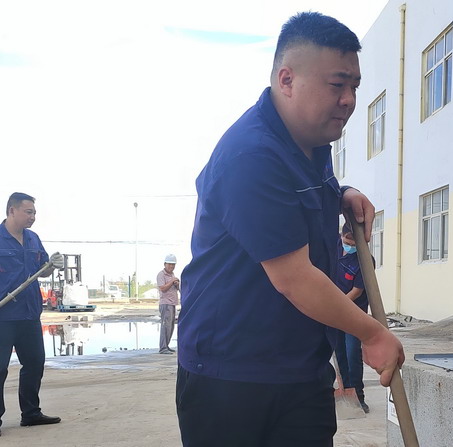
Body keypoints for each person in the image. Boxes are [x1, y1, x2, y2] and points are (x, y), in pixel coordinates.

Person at [176, 12, 404, 447]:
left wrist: (343, 193)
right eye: (337, 85)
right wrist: (372, 333)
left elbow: (304, 199)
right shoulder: (251, 155)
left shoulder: (313, 143)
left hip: (300, 365)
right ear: (287, 79)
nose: (349, 100)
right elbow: (294, 279)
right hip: (231, 376)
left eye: (355, 86)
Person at [0, 192, 64, 439]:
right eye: (28, 212)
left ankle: (31, 413)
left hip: (29, 314)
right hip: (1, 315)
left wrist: (53, 265)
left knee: (34, 363)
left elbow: (42, 271)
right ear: (12, 210)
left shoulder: (33, 239)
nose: (33, 217)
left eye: (34, 213)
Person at [333, 223, 373, 413]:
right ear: (341, 236)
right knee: (339, 353)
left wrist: (337, 306)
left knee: (352, 354)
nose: (349, 247)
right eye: (347, 242)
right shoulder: (334, 246)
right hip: (333, 311)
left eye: (353, 244)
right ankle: (344, 392)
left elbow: (357, 291)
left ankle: (359, 396)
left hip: (353, 313)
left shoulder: (365, 260)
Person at [157, 254, 180, 354]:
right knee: (165, 326)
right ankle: (163, 348)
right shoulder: (161, 275)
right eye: (169, 264)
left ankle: (167, 345)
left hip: (172, 303)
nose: (171, 266)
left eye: (173, 265)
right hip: (165, 304)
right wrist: (172, 281)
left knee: (170, 326)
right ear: (165, 264)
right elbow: (162, 288)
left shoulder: (172, 276)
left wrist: (177, 284)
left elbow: (177, 289)